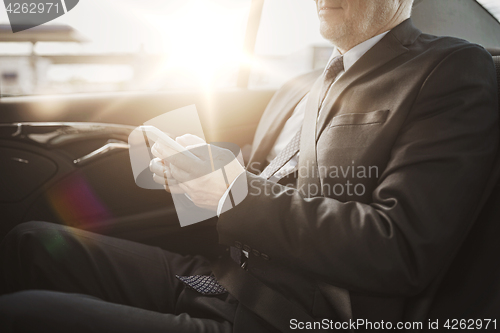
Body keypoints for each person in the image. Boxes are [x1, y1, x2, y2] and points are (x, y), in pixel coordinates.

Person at [1, 0, 498, 332]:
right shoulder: (293, 90)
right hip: (215, 280)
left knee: (23, 313)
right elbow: (246, 202)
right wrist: (187, 173)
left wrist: (232, 192)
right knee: (29, 242)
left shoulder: (448, 71)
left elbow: (400, 250)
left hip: (284, 316)